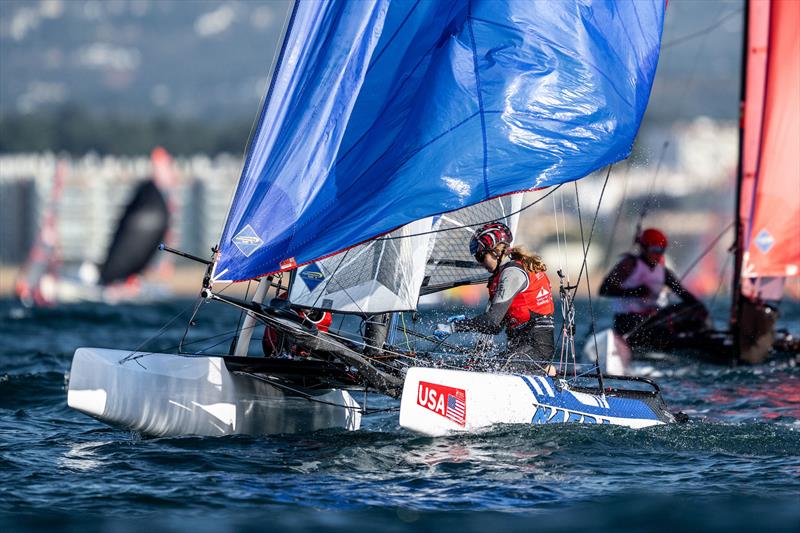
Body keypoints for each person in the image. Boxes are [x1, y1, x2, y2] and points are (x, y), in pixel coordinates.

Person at [433, 222, 555, 371]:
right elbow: (495, 327)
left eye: (480, 256)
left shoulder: (512, 274)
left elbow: (491, 321)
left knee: (492, 369)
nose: (479, 262)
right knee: (482, 367)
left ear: (495, 253)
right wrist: (467, 321)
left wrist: (454, 327)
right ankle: (548, 372)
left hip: (536, 347)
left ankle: (547, 372)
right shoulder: (502, 274)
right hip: (520, 347)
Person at [599, 228, 709, 347]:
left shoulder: (664, 272)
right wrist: (635, 292)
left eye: (661, 250)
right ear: (643, 248)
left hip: (652, 318)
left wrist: (699, 308)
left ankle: (702, 341)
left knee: (692, 310)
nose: (658, 254)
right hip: (628, 320)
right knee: (658, 327)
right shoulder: (629, 264)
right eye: (654, 249)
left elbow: (682, 293)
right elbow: (604, 289)